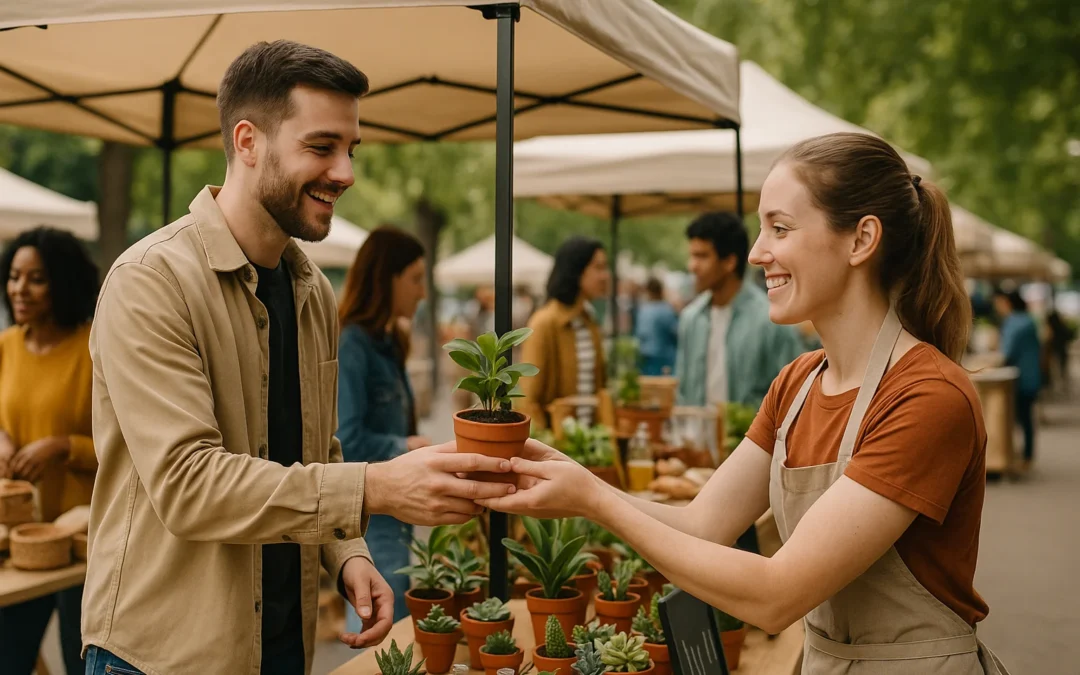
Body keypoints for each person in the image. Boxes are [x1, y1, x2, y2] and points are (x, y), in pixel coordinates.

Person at [482, 132, 1010, 674]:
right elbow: (700, 526)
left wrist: (595, 501)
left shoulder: (927, 397)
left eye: (780, 228)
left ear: (861, 239)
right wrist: (576, 484)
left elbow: (777, 596)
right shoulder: (796, 385)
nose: (757, 253)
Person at [82, 40, 513, 675]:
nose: (346, 172)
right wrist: (376, 489)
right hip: (161, 657)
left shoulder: (312, 290)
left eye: (351, 149)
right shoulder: (150, 281)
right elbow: (188, 485)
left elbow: (316, 450)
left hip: (283, 645)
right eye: (321, 147)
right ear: (248, 142)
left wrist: (349, 553)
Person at [0, 226, 98, 675]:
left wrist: (64, 447)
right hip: (22, 539)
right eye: (14, 276)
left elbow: (128, 446)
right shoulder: (6, 345)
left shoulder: (95, 347)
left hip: (84, 543)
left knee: (80, 661)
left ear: (63, 282)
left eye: (36, 278)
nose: (20, 289)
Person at [336, 225, 432, 624]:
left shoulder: (390, 342)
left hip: (397, 513)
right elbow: (345, 440)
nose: (422, 292)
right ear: (386, 278)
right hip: (369, 520)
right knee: (382, 628)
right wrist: (405, 446)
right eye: (415, 279)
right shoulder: (352, 345)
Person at [675, 211, 806, 410]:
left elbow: (794, 394)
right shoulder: (690, 318)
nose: (692, 266)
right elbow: (682, 391)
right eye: (692, 256)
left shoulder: (771, 320)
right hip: (696, 430)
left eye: (702, 256)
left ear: (729, 262)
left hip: (752, 430)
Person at [519, 236, 609, 429]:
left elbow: (599, 388)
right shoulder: (543, 323)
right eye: (598, 268)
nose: (605, 276)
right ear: (576, 270)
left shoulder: (589, 321)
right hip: (555, 442)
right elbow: (528, 399)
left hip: (589, 440)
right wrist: (544, 442)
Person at [992, 287, 1042, 472]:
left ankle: (1019, 456)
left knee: (1019, 418)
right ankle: (1025, 455)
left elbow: (1006, 352)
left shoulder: (1014, 322)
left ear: (1006, 302)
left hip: (1021, 379)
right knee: (1025, 418)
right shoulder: (1028, 320)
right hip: (1031, 376)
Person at [634, 277, 678, 376]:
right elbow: (675, 332)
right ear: (661, 291)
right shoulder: (666, 310)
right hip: (663, 358)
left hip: (645, 356)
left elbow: (639, 334)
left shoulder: (643, 310)